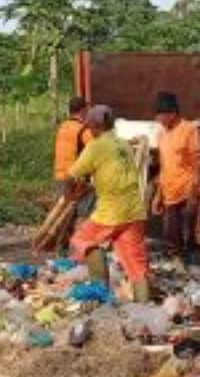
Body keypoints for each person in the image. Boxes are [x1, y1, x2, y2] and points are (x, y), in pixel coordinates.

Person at [66, 105, 151, 302]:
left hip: (111, 211)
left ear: (96, 126)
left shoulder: (96, 146)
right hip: (135, 211)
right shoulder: (123, 145)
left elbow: (72, 175)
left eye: (90, 128)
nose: (90, 131)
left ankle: (101, 292)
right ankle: (143, 309)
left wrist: (68, 195)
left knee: (82, 240)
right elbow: (113, 175)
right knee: (136, 266)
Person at [151, 92, 200, 264]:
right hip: (170, 193)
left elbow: (197, 164)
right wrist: (158, 195)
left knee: (191, 235)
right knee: (171, 238)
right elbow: (164, 166)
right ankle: (181, 268)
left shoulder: (189, 129)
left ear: (172, 114)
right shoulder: (161, 134)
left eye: (161, 115)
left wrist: (193, 194)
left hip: (188, 192)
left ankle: (197, 268)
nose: (158, 119)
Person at [54, 97, 95, 253]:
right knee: (84, 213)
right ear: (82, 110)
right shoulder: (83, 130)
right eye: (87, 110)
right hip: (77, 179)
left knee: (65, 215)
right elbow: (95, 151)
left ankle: (61, 248)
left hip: (60, 175)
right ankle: (79, 249)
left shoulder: (63, 127)